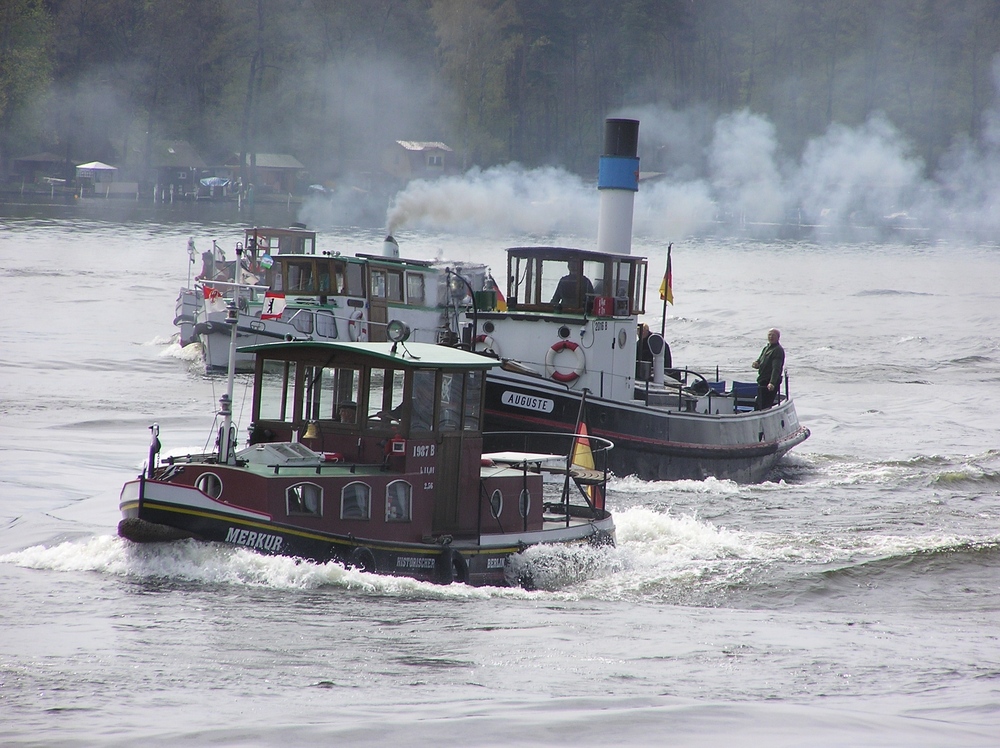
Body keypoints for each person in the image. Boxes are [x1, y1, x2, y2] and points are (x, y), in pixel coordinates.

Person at [752, 328, 785, 410]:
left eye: (773, 335)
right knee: (759, 403)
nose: (771, 337)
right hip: (762, 380)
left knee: (764, 405)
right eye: (769, 335)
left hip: (769, 382)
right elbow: (760, 360)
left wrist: (772, 382)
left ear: (778, 337)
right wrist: (756, 363)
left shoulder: (777, 350)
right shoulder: (767, 348)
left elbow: (776, 368)